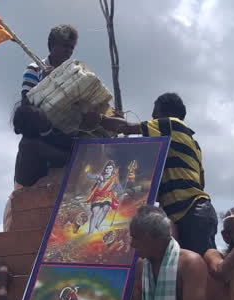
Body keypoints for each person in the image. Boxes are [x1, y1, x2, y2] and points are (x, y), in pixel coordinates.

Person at [90, 93, 217, 255]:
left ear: (165, 113)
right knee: (185, 269)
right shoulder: (194, 145)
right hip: (193, 214)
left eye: (155, 114)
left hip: (192, 213)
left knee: (195, 268)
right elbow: (201, 182)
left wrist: (99, 120)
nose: (152, 117)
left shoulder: (171, 125)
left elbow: (127, 127)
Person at [12, 104, 74, 188]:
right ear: (34, 125)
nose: (43, 113)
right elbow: (66, 157)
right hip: (28, 190)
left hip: (36, 180)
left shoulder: (34, 137)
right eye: (38, 114)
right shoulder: (31, 145)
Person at [20, 24, 78, 102]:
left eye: (72, 47)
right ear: (52, 45)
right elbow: (26, 104)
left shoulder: (74, 72)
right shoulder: (34, 69)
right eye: (65, 46)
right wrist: (44, 82)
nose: (69, 50)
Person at [85, 160, 123, 233]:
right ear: (105, 169)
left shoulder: (114, 179)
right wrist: (87, 172)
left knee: (105, 209)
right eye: (107, 168)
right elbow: (90, 176)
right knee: (95, 212)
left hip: (107, 196)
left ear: (113, 169)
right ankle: (90, 232)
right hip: (97, 196)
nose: (108, 170)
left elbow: (119, 189)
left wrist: (122, 192)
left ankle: (98, 225)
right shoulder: (100, 176)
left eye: (110, 168)